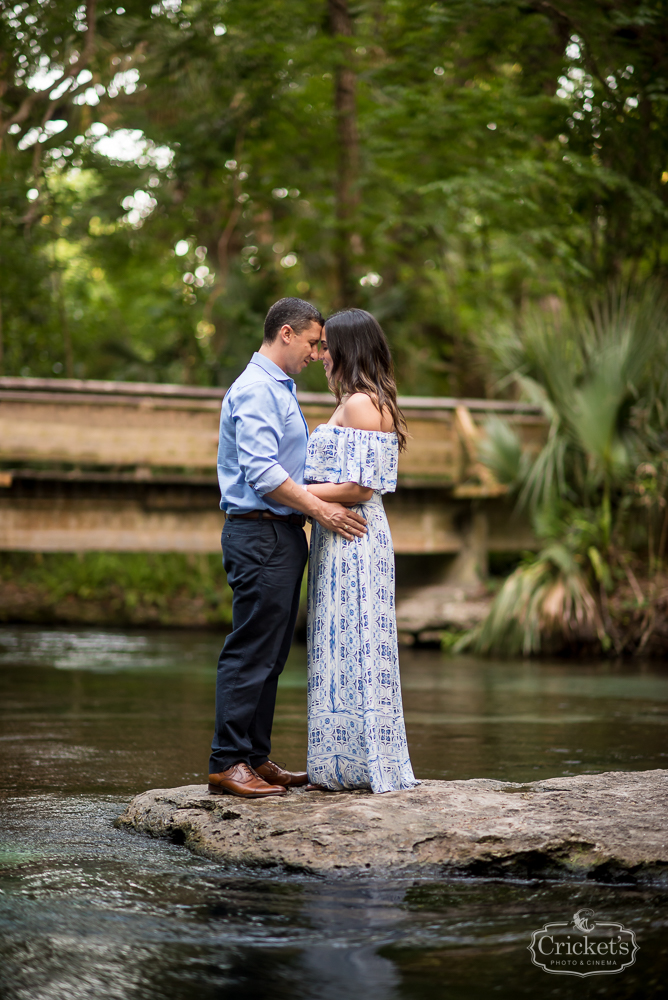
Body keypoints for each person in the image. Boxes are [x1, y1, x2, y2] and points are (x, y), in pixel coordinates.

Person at [208, 298, 367, 799]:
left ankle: (254, 757)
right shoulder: (257, 389)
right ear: (285, 333)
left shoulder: (278, 388)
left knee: (272, 653)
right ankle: (227, 762)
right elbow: (262, 472)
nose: (320, 353)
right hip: (259, 533)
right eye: (314, 342)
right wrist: (322, 510)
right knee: (251, 649)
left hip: (277, 534)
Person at [304, 308, 419, 793]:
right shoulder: (367, 401)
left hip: (353, 536)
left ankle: (359, 764)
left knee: (354, 647)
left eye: (328, 345)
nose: (322, 354)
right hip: (344, 536)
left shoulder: (359, 405)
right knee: (347, 646)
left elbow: (359, 489)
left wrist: (297, 493)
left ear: (349, 348)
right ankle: (348, 763)